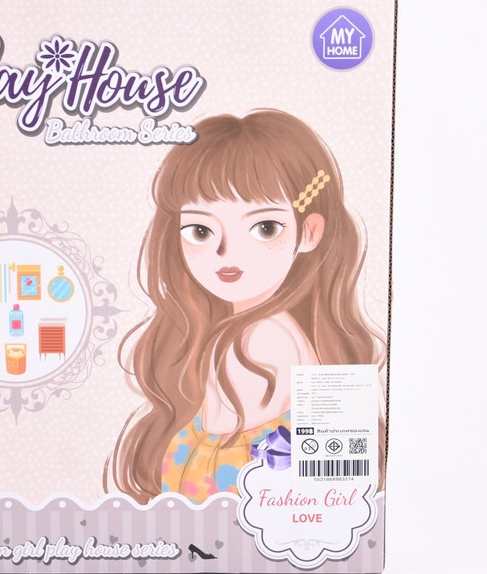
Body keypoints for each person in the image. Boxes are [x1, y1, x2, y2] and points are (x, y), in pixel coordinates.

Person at [106, 110, 386, 504]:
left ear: (309, 233)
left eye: (265, 228)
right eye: (201, 231)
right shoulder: (250, 331)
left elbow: (215, 469)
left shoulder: (261, 338)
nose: (226, 253)